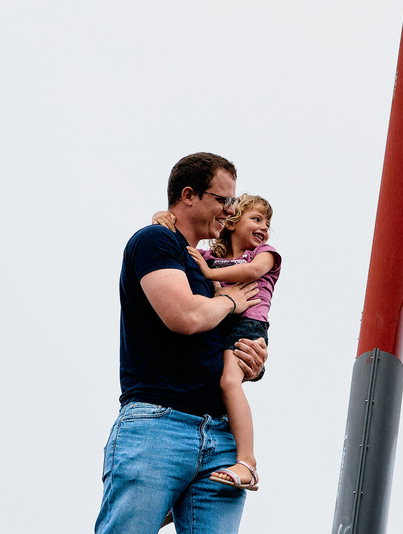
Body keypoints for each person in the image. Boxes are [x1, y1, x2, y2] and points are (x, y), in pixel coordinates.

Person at [96, 152, 270, 534]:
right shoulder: (155, 241)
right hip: (159, 426)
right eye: (222, 200)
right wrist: (229, 301)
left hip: (221, 437)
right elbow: (186, 317)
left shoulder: (209, 262)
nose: (230, 210)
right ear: (189, 195)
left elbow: (218, 332)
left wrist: (249, 361)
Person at [153, 195, 281, 491]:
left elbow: (250, 273)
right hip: (220, 325)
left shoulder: (263, 254)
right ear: (232, 221)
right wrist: (163, 217)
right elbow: (182, 249)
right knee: (212, 383)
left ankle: (247, 462)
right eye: (257, 219)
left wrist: (210, 275)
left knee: (228, 382)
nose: (264, 227)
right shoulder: (209, 257)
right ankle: (183, 484)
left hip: (248, 325)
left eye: (267, 223)